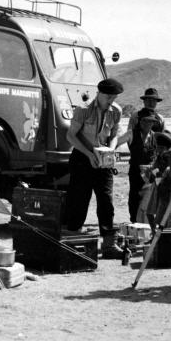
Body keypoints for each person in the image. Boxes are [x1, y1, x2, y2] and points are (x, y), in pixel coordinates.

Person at [65, 78, 125, 259]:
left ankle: (109, 244)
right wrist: (89, 154)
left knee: (106, 201)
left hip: (103, 160)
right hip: (83, 159)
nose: (111, 101)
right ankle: (72, 240)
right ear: (99, 94)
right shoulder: (83, 110)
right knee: (79, 200)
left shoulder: (116, 111)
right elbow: (71, 136)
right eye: (108, 97)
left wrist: (112, 149)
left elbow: (114, 135)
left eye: (114, 97)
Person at [117, 88, 166, 222]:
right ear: (144, 101)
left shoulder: (160, 119)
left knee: (154, 192)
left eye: (153, 100)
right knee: (135, 193)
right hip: (137, 164)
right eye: (148, 100)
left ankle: (150, 221)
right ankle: (135, 220)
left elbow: (162, 141)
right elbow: (129, 137)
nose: (151, 102)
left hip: (154, 165)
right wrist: (138, 152)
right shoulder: (135, 116)